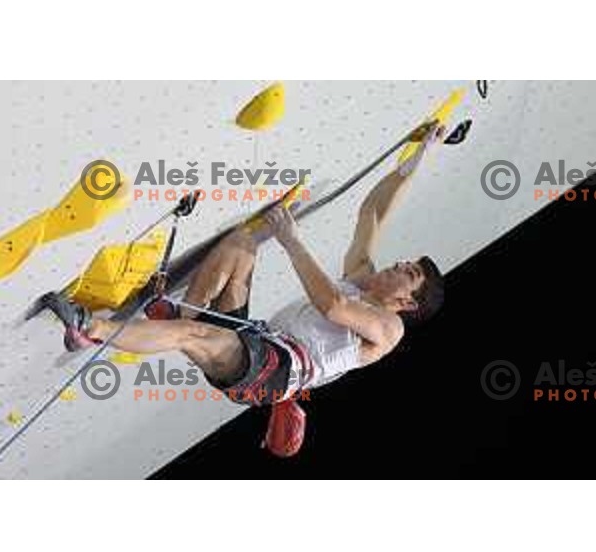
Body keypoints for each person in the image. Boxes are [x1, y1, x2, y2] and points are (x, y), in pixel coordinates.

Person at [42, 122, 445, 440]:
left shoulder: (388, 328)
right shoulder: (362, 278)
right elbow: (371, 213)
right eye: (405, 262)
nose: (397, 265)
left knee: (191, 335)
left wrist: (291, 241)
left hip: (272, 374)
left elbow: (333, 307)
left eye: (408, 274)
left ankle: (89, 330)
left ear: (408, 303)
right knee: (240, 244)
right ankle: (178, 311)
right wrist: (420, 155)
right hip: (258, 339)